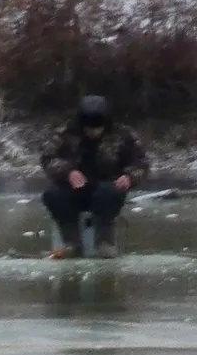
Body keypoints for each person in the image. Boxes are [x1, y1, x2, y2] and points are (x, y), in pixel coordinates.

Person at [41, 95, 149, 259]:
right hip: (73, 188)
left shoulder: (122, 135)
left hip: (107, 187)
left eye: (97, 129)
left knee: (108, 193)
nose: (93, 133)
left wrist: (129, 177)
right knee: (53, 194)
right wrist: (68, 172)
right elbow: (48, 158)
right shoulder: (64, 134)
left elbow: (141, 162)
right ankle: (72, 243)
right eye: (89, 129)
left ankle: (104, 244)